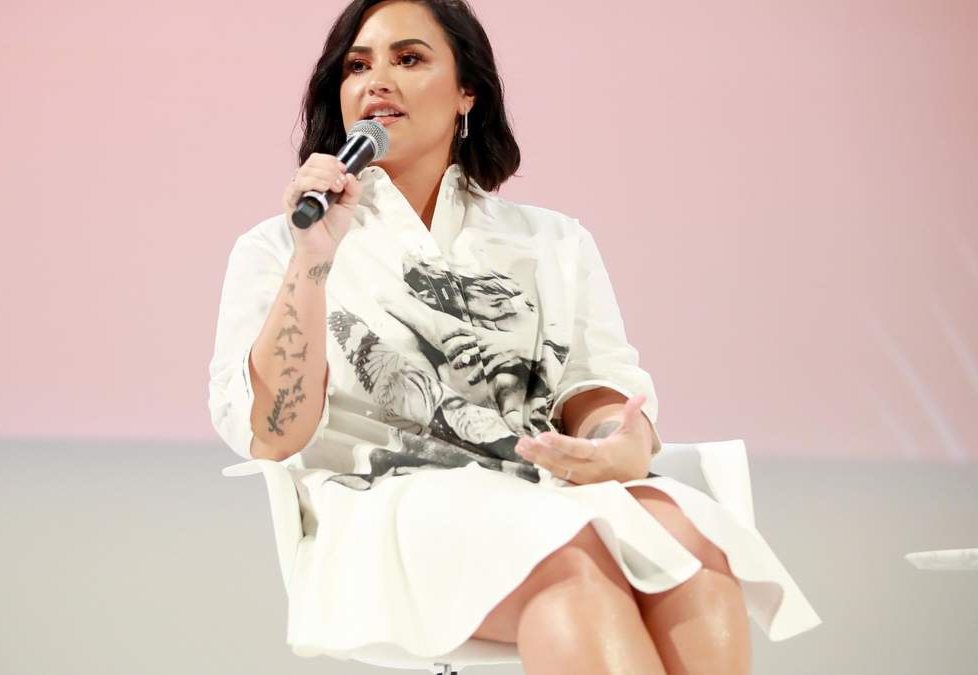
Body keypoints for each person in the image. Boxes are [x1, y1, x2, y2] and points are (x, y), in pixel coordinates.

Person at [208, 1, 822, 673]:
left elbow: (592, 384)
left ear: (467, 92)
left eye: (408, 59)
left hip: (538, 486)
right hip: (384, 507)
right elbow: (273, 433)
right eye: (357, 67)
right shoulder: (280, 247)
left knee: (691, 539)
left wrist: (610, 444)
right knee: (571, 561)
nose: (376, 81)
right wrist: (313, 258)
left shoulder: (552, 240)